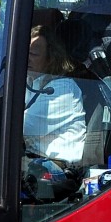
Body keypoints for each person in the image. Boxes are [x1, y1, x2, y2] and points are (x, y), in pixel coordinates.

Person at [24, 23, 86, 163]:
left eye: (33, 54)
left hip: (57, 169)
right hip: (36, 159)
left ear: (51, 58)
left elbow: (22, 127)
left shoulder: (63, 89)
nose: (26, 58)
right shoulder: (32, 83)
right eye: (25, 52)